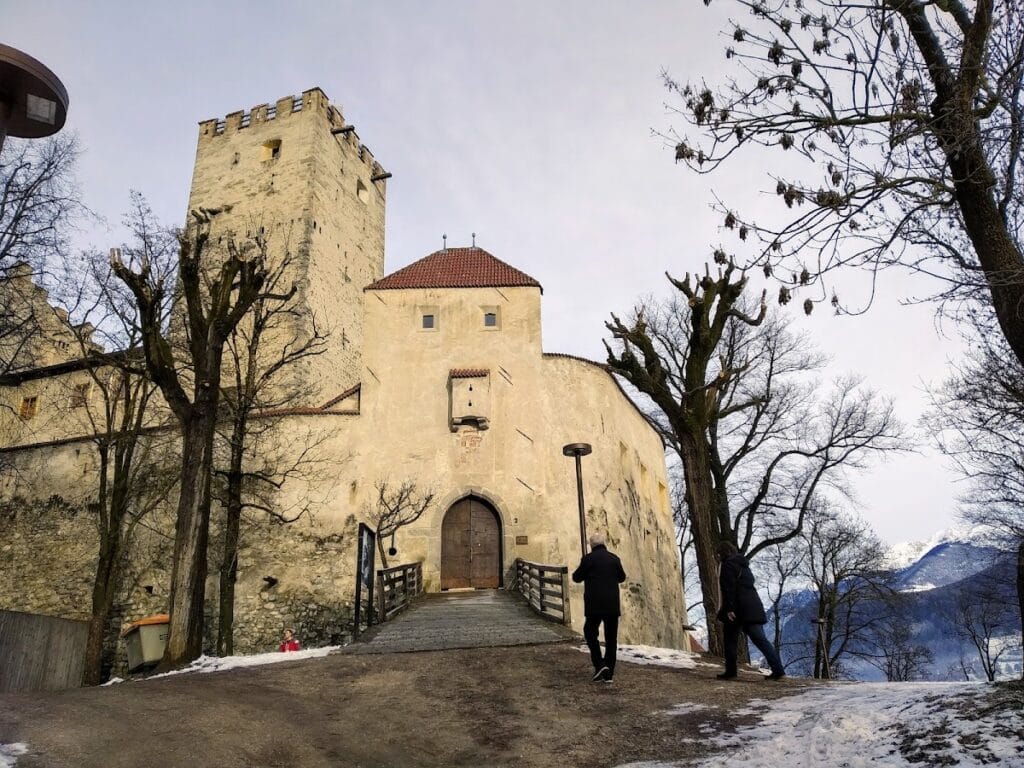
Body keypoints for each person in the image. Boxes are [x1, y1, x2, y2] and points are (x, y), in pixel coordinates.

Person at [715, 541, 785, 680]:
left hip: (737, 609)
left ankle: (731, 672)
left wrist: (729, 608)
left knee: (730, 640)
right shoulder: (744, 566)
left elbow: (728, 588)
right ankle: (778, 670)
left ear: (722, 553)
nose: (717, 556)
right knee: (761, 640)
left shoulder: (727, 565)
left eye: (718, 553)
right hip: (753, 606)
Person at [572, 532, 626, 683]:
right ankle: (609, 673)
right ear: (604, 543)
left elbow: (576, 577)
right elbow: (622, 577)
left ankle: (600, 664)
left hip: (594, 604)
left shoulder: (588, 559)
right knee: (611, 639)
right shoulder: (614, 559)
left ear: (591, 545)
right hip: (612, 604)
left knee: (589, 633)